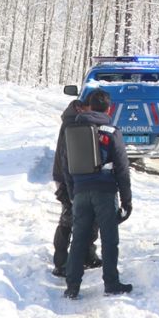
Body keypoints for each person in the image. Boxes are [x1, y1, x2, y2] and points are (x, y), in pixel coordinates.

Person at [61, 89, 134, 299]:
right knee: (109, 239)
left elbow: (66, 164)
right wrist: (127, 200)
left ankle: (72, 286)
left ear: (90, 106)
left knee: (79, 239)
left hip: (81, 191)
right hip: (105, 191)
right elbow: (122, 167)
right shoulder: (111, 131)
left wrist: (73, 191)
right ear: (109, 108)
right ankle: (111, 283)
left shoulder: (72, 128)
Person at [51, 97, 102, 277]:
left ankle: (88, 255)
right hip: (66, 177)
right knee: (68, 217)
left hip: (76, 176)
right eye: (91, 110)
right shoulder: (72, 123)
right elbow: (66, 159)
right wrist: (68, 188)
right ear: (83, 108)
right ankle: (61, 262)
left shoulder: (76, 118)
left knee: (89, 216)